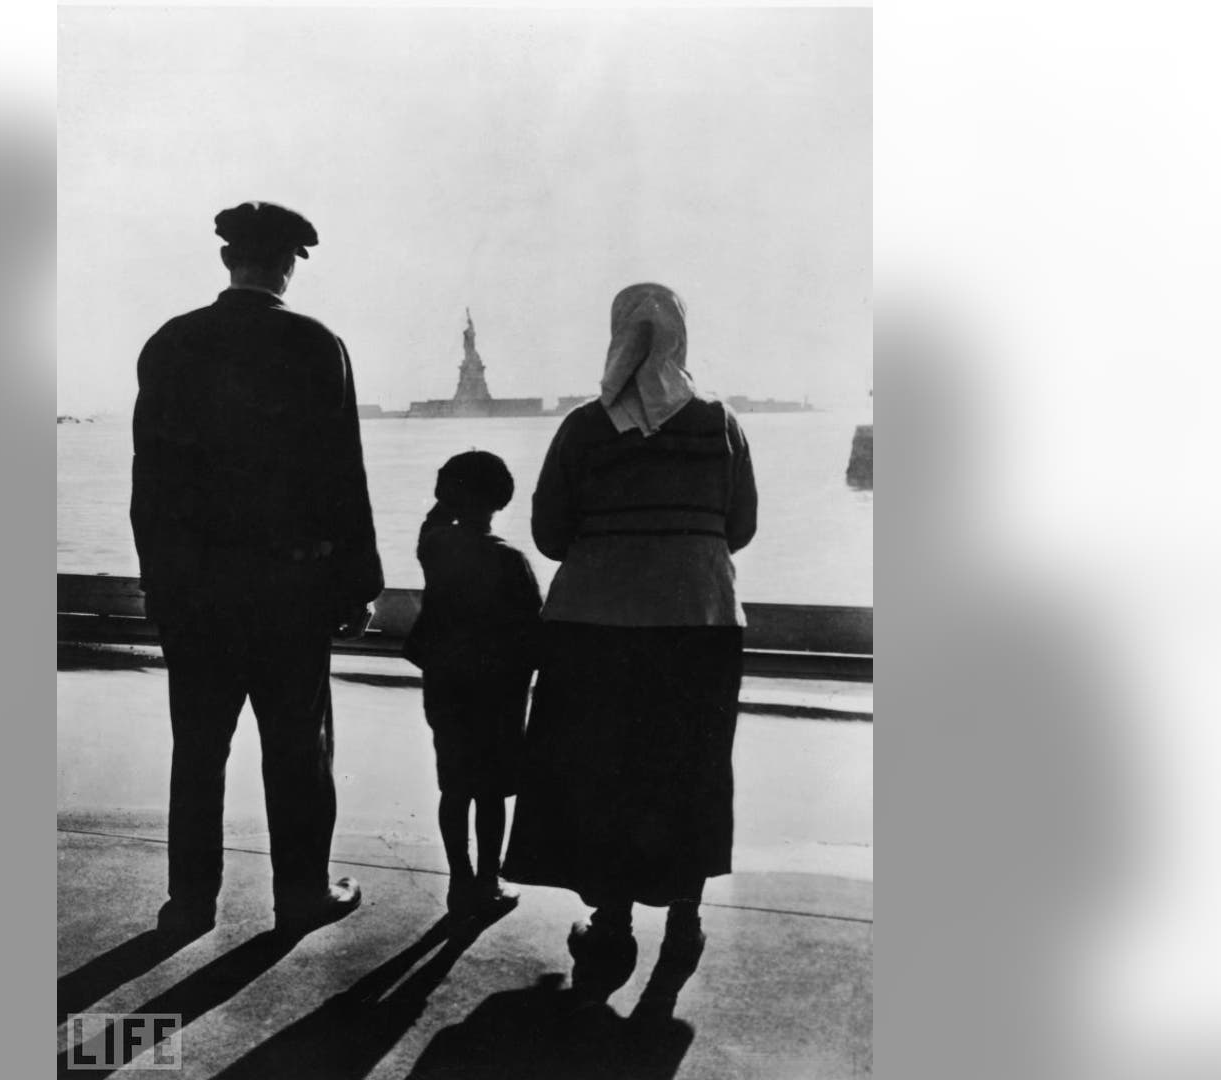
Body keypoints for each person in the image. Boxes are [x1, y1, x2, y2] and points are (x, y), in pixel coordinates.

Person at [130, 201, 382, 938]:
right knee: (297, 749)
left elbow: (151, 480)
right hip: (290, 590)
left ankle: (190, 903)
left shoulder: (171, 343)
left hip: (195, 588)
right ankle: (301, 893)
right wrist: (357, 584)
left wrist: (160, 579)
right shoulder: (314, 344)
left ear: (226, 260)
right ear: (287, 265)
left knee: (199, 749)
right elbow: (343, 474)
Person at [503, 283, 758, 1003]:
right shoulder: (722, 425)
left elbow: (550, 534)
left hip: (594, 626)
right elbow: (738, 528)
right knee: (690, 764)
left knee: (602, 770)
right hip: (699, 621)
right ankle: (685, 915)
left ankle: (609, 923)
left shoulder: (585, 428)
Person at [402, 450, 543, 919]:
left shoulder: (437, 549)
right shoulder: (512, 562)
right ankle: (488, 879)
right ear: (502, 500)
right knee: (491, 793)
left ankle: (459, 880)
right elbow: (533, 635)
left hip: (446, 688)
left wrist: (447, 497)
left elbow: (432, 524)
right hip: (498, 697)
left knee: (454, 786)